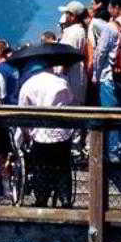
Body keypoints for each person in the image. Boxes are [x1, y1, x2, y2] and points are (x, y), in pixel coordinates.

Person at [16, 61, 75, 207]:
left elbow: (22, 110)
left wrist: (25, 133)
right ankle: (65, 197)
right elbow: (71, 102)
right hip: (61, 132)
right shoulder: (62, 82)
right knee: (63, 167)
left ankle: (41, 198)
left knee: (41, 167)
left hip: (40, 134)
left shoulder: (29, 84)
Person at [93, 0, 121, 164]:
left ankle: (113, 153)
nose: (109, 10)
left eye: (111, 7)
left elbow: (100, 52)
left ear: (117, 7)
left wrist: (96, 75)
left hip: (110, 76)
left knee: (110, 114)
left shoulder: (111, 27)